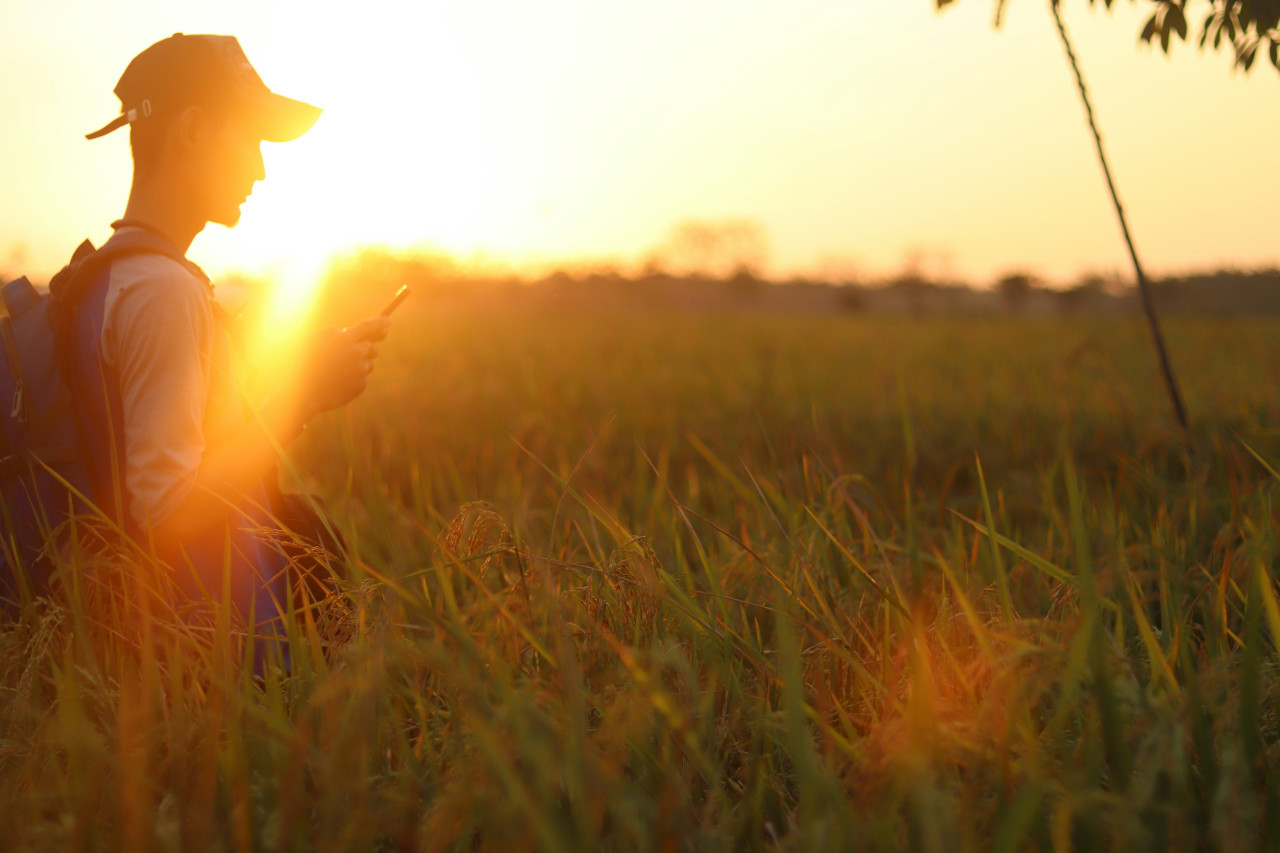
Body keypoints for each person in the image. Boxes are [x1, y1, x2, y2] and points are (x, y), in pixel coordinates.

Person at [56, 33, 389, 657]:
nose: (260, 168)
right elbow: (166, 509)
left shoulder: (106, 276)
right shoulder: (163, 290)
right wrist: (301, 399)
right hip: (207, 664)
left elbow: (163, 442)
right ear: (191, 131)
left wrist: (290, 376)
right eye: (251, 139)